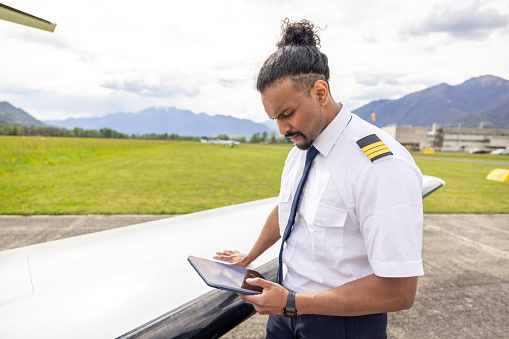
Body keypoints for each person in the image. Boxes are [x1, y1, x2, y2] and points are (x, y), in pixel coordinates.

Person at [214, 18, 423, 339]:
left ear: (320, 92)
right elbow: (287, 211)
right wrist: (249, 256)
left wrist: (294, 302)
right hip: (286, 314)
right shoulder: (301, 148)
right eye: (274, 118)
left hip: (342, 325)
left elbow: (399, 291)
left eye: (287, 114)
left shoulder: (379, 165)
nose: (282, 129)